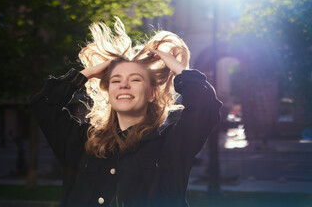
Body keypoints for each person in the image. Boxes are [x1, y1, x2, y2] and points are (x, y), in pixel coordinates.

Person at [31, 18, 222, 207]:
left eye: (135, 79)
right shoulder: (82, 142)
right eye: (115, 80)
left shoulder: (172, 144)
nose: (123, 84)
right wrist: (85, 75)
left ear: (152, 94)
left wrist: (179, 70)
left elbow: (206, 107)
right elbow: (44, 106)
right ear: (108, 92)